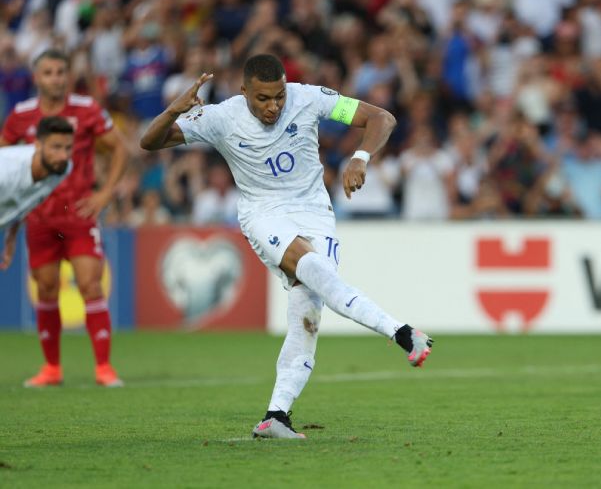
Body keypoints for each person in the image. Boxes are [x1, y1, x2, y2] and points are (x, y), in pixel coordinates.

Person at [140, 53, 433, 439]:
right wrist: (172, 110)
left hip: (314, 211)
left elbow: (383, 118)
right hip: (264, 213)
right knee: (315, 268)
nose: (274, 106)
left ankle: (276, 416)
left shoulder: (308, 97)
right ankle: (402, 332)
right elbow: (150, 141)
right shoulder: (221, 117)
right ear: (244, 91)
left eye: (278, 96)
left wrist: (360, 157)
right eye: (263, 98)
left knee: (308, 316)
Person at [0, 49, 129, 388]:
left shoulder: (86, 110)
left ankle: (104, 367)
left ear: (68, 77)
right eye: (48, 73)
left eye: (61, 72)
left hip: (78, 215)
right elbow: (7, 170)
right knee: (45, 288)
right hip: (39, 218)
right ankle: (51, 368)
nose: (55, 78)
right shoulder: (19, 116)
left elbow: (119, 148)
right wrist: (12, 224)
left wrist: (105, 193)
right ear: (36, 78)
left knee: (89, 284)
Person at [0, 116, 74, 269]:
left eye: (68, 148)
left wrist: (11, 234)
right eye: (56, 147)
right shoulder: (5, 170)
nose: (63, 156)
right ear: (38, 145)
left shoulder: (62, 168)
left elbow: (25, 201)